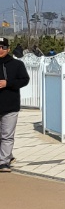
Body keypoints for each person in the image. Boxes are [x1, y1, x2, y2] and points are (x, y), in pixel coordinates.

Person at [0, 37, 30, 171]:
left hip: (10, 106)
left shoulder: (17, 65)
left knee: (7, 135)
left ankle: (3, 162)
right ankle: (7, 155)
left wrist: (8, 83)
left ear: (8, 49)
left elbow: (24, 80)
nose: (1, 50)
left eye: (3, 47)